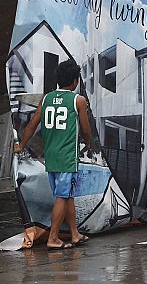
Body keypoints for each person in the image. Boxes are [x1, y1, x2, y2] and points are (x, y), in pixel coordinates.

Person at [13, 59, 92, 250]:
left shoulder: (47, 98)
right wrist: (88, 143)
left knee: (67, 196)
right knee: (62, 197)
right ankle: (54, 238)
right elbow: (85, 128)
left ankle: (74, 234)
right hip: (67, 157)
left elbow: (32, 125)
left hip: (51, 156)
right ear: (75, 81)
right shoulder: (77, 100)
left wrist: (21, 145)